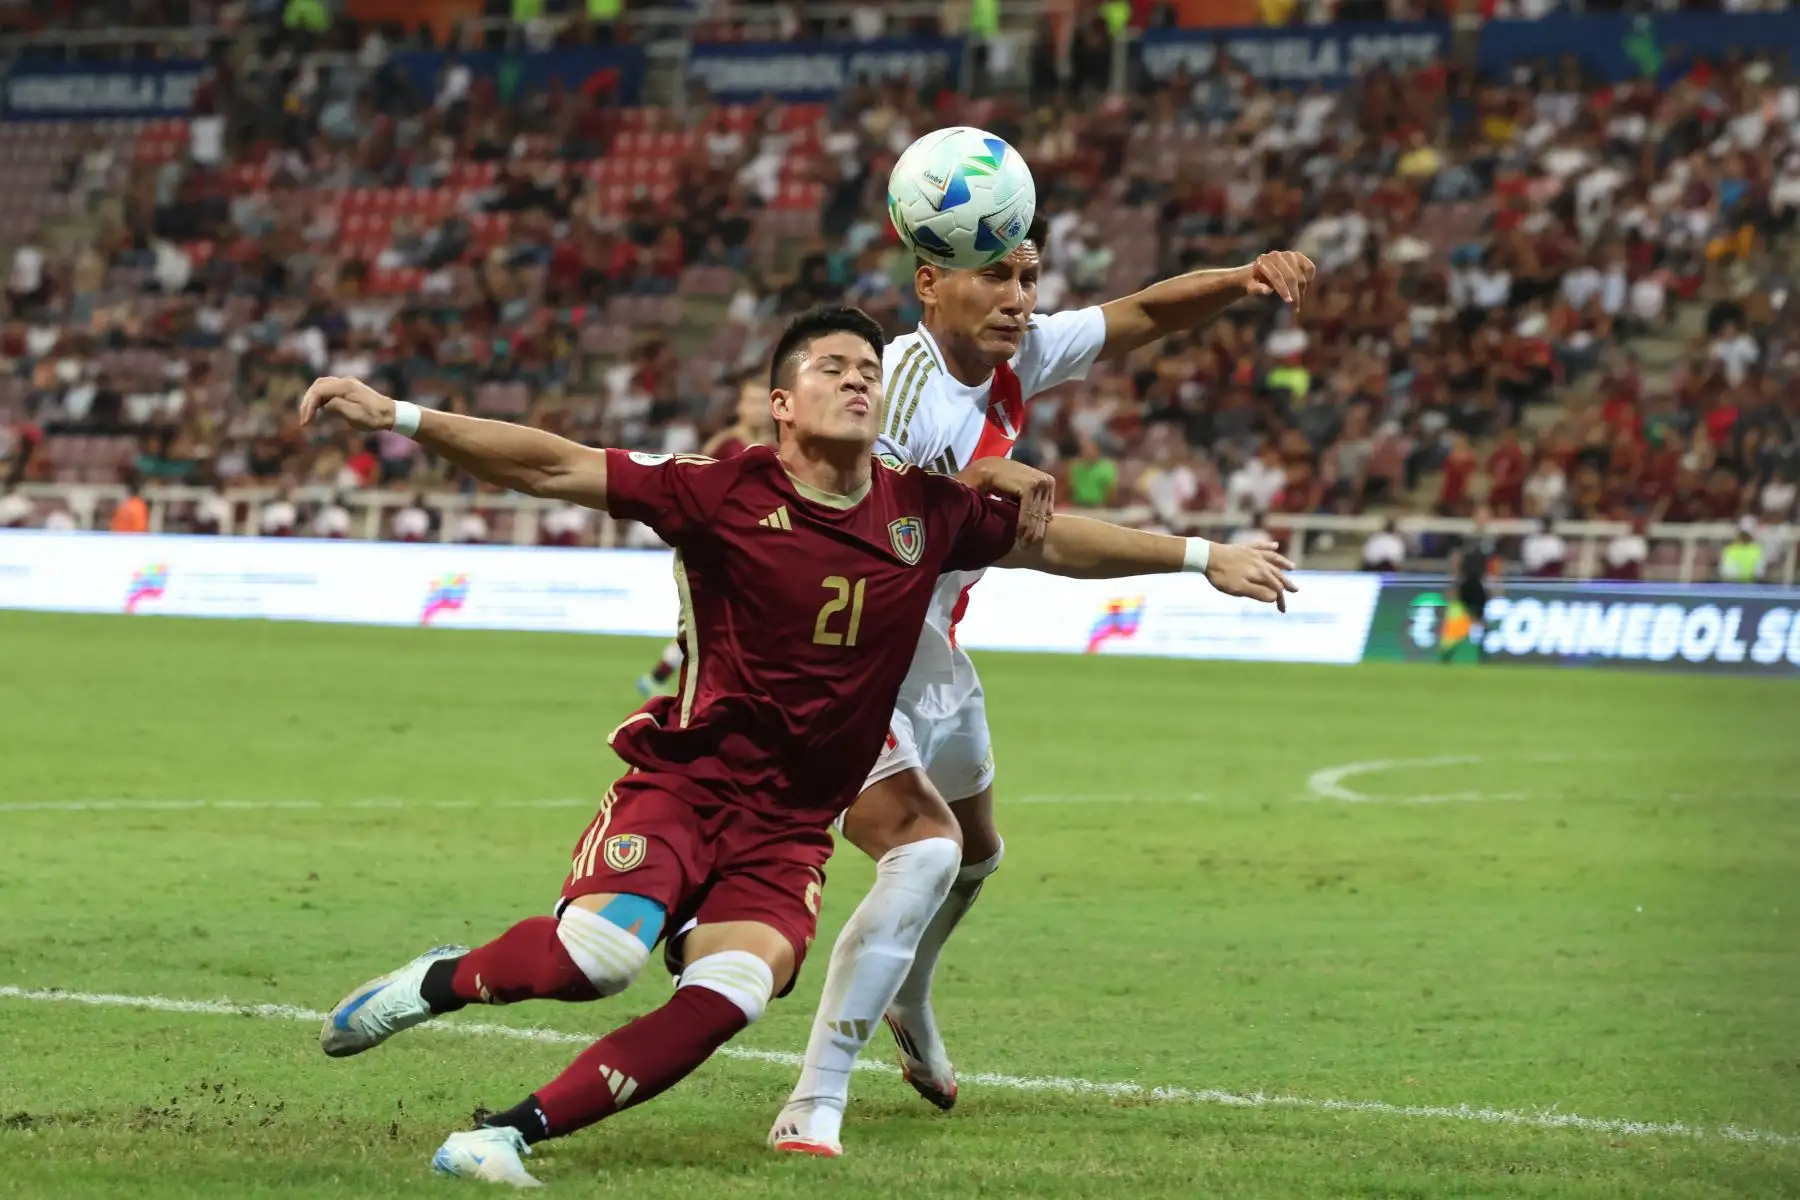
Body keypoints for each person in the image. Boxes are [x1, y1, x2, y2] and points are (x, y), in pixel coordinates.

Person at [300, 306, 1295, 1187]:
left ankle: (508, 1135)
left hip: (791, 826)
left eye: (868, 368)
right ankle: (436, 982)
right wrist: (398, 416)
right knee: (597, 957)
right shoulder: (720, 492)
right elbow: (554, 462)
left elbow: (1055, 543)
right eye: (831, 367)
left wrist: (1202, 558)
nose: (858, 378)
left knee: (733, 990)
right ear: (781, 403)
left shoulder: (921, 512)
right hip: (689, 785)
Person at [771, 223, 1315, 1157]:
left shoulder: (1015, 356)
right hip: (841, 648)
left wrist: (1242, 276)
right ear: (931, 283)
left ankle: (909, 991)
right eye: (997, 277)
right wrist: (1190, 554)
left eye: (1029, 276)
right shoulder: (894, 382)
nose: (1021, 297)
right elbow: (875, 519)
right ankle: (813, 1100)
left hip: (927, 643)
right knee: (925, 854)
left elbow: (1142, 312)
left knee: (978, 851)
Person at [637, 377, 779, 697]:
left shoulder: (779, 449)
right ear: (740, 406)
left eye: (762, 402)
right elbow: (696, 487)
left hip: (765, 549)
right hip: (723, 546)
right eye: (751, 401)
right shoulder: (724, 445)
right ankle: (673, 679)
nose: (757, 409)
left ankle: (666, 677)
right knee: (709, 619)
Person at [1445, 507, 1500, 663]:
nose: (1482, 519)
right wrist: (1455, 581)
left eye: (1485, 517)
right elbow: (1457, 558)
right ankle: (1449, 652)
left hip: (1481, 582)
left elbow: (1494, 563)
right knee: (1459, 618)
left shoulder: (1491, 540)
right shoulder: (1466, 537)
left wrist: (1495, 583)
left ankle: (1482, 652)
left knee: (1481, 618)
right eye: (1480, 516)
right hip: (1466, 581)